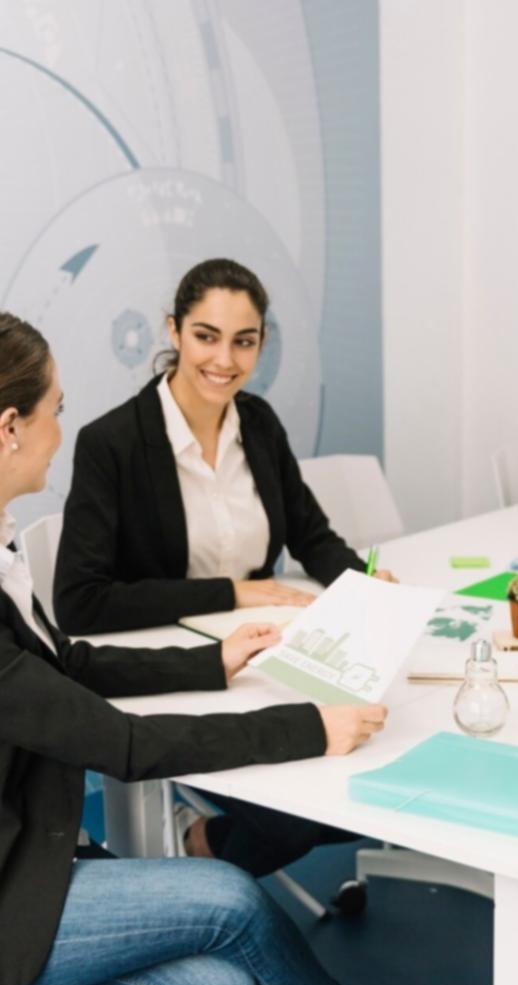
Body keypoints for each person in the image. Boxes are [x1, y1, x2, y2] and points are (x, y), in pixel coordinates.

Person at [0, 305, 467, 985]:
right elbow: (118, 743)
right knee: (230, 898)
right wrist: (308, 726)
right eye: (56, 409)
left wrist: (209, 660)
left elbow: (61, 667)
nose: (61, 431)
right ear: (9, 427)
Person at [54, 257, 388, 873]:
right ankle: (200, 849)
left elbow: (311, 534)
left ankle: (201, 843)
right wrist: (230, 592)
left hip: (269, 659)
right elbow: (80, 601)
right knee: (293, 823)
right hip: (178, 672)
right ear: (174, 331)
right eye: (206, 336)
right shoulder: (112, 443)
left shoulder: (258, 424)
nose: (225, 360)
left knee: (370, 766)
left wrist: (363, 583)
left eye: (244, 341)